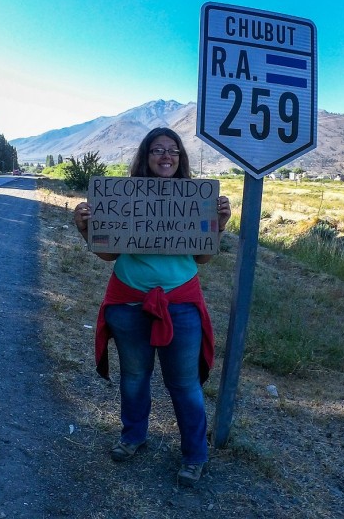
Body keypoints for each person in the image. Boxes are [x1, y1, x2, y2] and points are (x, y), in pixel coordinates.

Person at [73, 127, 231, 488]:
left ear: (180, 159)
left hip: (181, 304)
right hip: (128, 303)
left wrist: (218, 225)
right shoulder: (124, 197)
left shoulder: (196, 199)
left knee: (184, 383)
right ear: (145, 156)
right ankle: (133, 436)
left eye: (173, 151)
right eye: (157, 150)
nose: (166, 156)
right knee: (134, 376)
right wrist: (86, 230)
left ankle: (195, 455)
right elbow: (108, 253)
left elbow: (204, 258)